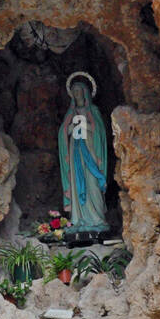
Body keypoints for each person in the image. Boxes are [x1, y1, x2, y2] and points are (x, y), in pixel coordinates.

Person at [58, 71, 110, 235]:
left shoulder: (92, 110)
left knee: (92, 183)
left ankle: (97, 219)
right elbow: (62, 133)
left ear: (86, 93)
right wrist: (70, 129)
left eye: (79, 91)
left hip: (91, 152)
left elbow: (100, 132)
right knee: (77, 182)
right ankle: (78, 218)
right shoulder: (71, 113)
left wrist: (86, 127)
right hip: (76, 154)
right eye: (74, 92)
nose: (77, 94)